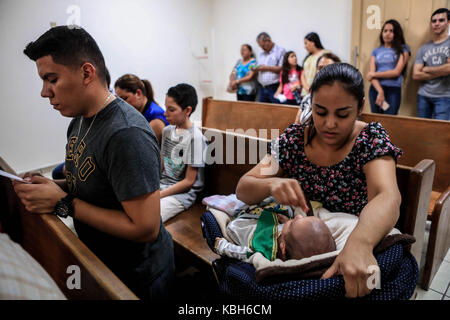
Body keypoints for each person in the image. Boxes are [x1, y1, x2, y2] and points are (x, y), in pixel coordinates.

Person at [15, 26, 175, 300]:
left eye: (51, 79)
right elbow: (95, 182)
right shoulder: (80, 119)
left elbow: (145, 227)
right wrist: (51, 186)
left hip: (140, 275)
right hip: (103, 259)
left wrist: (62, 203)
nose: (45, 92)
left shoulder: (126, 133)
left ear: (86, 73)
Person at [236, 63, 403, 298]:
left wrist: (361, 243)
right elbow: (243, 187)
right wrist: (271, 184)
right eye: (320, 112)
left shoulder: (370, 139)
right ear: (310, 105)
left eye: (342, 114)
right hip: (299, 249)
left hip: (352, 238)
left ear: (360, 107)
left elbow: (387, 196)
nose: (329, 124)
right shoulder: (293, 141)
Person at [214, 203, 336, 262]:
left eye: (293, 224)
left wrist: (222, 246)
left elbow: (243, 253)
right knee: (284, 208)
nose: (298, 216)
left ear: (282, 247)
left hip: (240, 228)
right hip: (268, 226)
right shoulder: (289, 241)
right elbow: (290, 234)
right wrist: (288, 222)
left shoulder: (265, 251)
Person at [159, 83, 207, 223]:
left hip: (182, 194)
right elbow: (162, 166)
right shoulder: (167, 131)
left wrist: (159, 195)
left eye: (171, 109)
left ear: (187, 111)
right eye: (166, 107)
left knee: (150, 218)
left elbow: (188, 181)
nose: (165, 113)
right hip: (162, 186)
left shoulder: (196, 138)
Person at [412, 8, 450, 120]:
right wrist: (442, 70)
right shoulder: (424, 48)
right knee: (423, 130)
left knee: (441, 132)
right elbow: (416, 75)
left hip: (445, 96)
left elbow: (449, 69)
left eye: (441, 20)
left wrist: (426, 69)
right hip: (423, 95)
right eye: (434, 21)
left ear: (448, 22)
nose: (437, 24)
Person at [367, 19, 410, 115]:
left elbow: (396, 72)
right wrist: (380, 91)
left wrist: (374, 74)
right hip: (376, 89)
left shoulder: (404, 49)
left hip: (393, 90)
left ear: (397, 33)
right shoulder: (376, 51)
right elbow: (371, 76)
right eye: (385, 31)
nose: (387, 34)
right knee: (376, 120)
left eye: (391, 31)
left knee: (390, 121)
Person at [114, 74, 169, 145]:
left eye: (125, 98)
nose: (121, 104)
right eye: (118, 100)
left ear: (138, 93)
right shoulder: (138, 112)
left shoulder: (156, 118)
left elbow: (144, 148)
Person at [294, 52, 341, 124]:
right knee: (273, 132)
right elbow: (296, 126)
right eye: (320, 68)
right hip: (304, 134)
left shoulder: (344, 99)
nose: (323, 71)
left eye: (329, 68)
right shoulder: (308, 98)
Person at [254, 32, 286, 103]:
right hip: (262, 87)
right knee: (262, 110)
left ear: (268, 40)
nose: (262, 48)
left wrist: (266, 68)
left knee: (275, 110)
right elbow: (260, 67)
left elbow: (282, 68)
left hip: (274, 87)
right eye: (260, 46)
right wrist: (255, 69)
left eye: (263, 46)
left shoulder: (280, 51)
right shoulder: (261, 54)